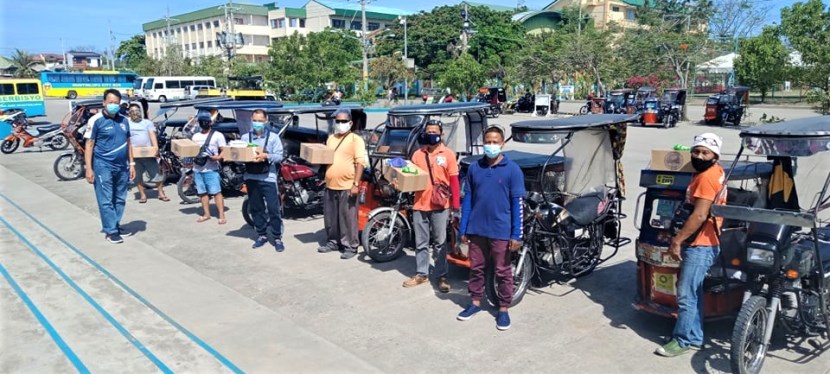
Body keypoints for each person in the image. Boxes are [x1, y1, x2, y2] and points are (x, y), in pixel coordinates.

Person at [656, 132, 726, 357]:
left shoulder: (706, 178)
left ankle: (682, 339)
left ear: (714, 155)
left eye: (705, 152)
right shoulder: (713, 172)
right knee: (693, 292)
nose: (699, 155)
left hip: (700, 244)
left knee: (685, 294)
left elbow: (699, 216)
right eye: (696, 151)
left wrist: (677, 240)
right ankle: (695, 337)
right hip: (704, 242)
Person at [457, 126, 524, 331]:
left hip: (501, 231)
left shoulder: (513, 170)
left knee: (502, 271)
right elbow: (467, 201)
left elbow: (517, 205)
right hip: (477, 229)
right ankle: (475, 303)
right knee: (476, 269)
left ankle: (503, 309)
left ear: (502, 144)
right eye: (488, 141)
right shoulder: (475, 169)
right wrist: (463, 228)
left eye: (495, 142)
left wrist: (516, 234)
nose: (491, 145)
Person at [401, 120, 461, 292]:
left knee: (440, 242)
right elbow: (410, 176)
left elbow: (454, 181)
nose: (431, 133)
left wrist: (455, 206)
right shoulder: (417, 154)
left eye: (435, 131)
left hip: (441, 206)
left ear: (441, 134)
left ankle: (442, 275)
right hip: (420, 204)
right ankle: (421, 274)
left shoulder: (448, 154)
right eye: (429, 131)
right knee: (421, 242)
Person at [84, 89, 136, 244]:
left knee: (120, 198)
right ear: (104, 103)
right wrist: (89, 168)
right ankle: (110, 231)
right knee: (106, 199)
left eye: (116, 103)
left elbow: (129, 143)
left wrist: (132, 163)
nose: (113, 105)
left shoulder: (124, 121)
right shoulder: (96, 120)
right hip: (103, 165)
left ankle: (115, 225)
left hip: (122, 166)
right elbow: (89, 145)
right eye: (110, 102)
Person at [318, 109, 367, 260]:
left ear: (350, 123)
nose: (340, 124)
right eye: (337, 121)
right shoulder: (331, 139)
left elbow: (360, 163)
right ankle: (333, 241)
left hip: (347, 185)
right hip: (331, 184)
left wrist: (355, 184)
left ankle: (351, 246)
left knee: (348, 218)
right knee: (331, 217)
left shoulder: (355, 140)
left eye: (343, 121)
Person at [241, 109, 285, 252]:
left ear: (266, 121)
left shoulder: (273, 138)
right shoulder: (244, 138)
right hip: (251, 177)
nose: (257, 123)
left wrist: (266, 156)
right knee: (256, 208)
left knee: (273, 209)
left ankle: (277, 237)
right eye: (255, 120)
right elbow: (238, 155)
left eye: (260, 121)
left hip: (268, 178)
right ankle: (261, 235)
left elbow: (279, 156)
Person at [127, 103, 169, 203]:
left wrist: (156, 148)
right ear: (129, 113)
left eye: (137, 110)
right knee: (137, 177)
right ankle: (142, 195)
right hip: (135, 155)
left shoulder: (147, 123)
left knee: (156, 174)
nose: (135, 113)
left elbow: (152, 135)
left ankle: (161, 193)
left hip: (148, 153)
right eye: (132, 111)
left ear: (140, 112)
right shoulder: (127, 123)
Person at [191, 113, 227, 224]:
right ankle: (206, 214)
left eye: (206, 121)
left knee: (216, 192)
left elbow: (224, 150)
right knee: (202, 193)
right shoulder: (195, 136)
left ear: (210, 123)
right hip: (198, 169)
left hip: (211, 169)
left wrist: (218, 157)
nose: (204, 123)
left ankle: (221, 215)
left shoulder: (218, 135)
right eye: (201, 121)